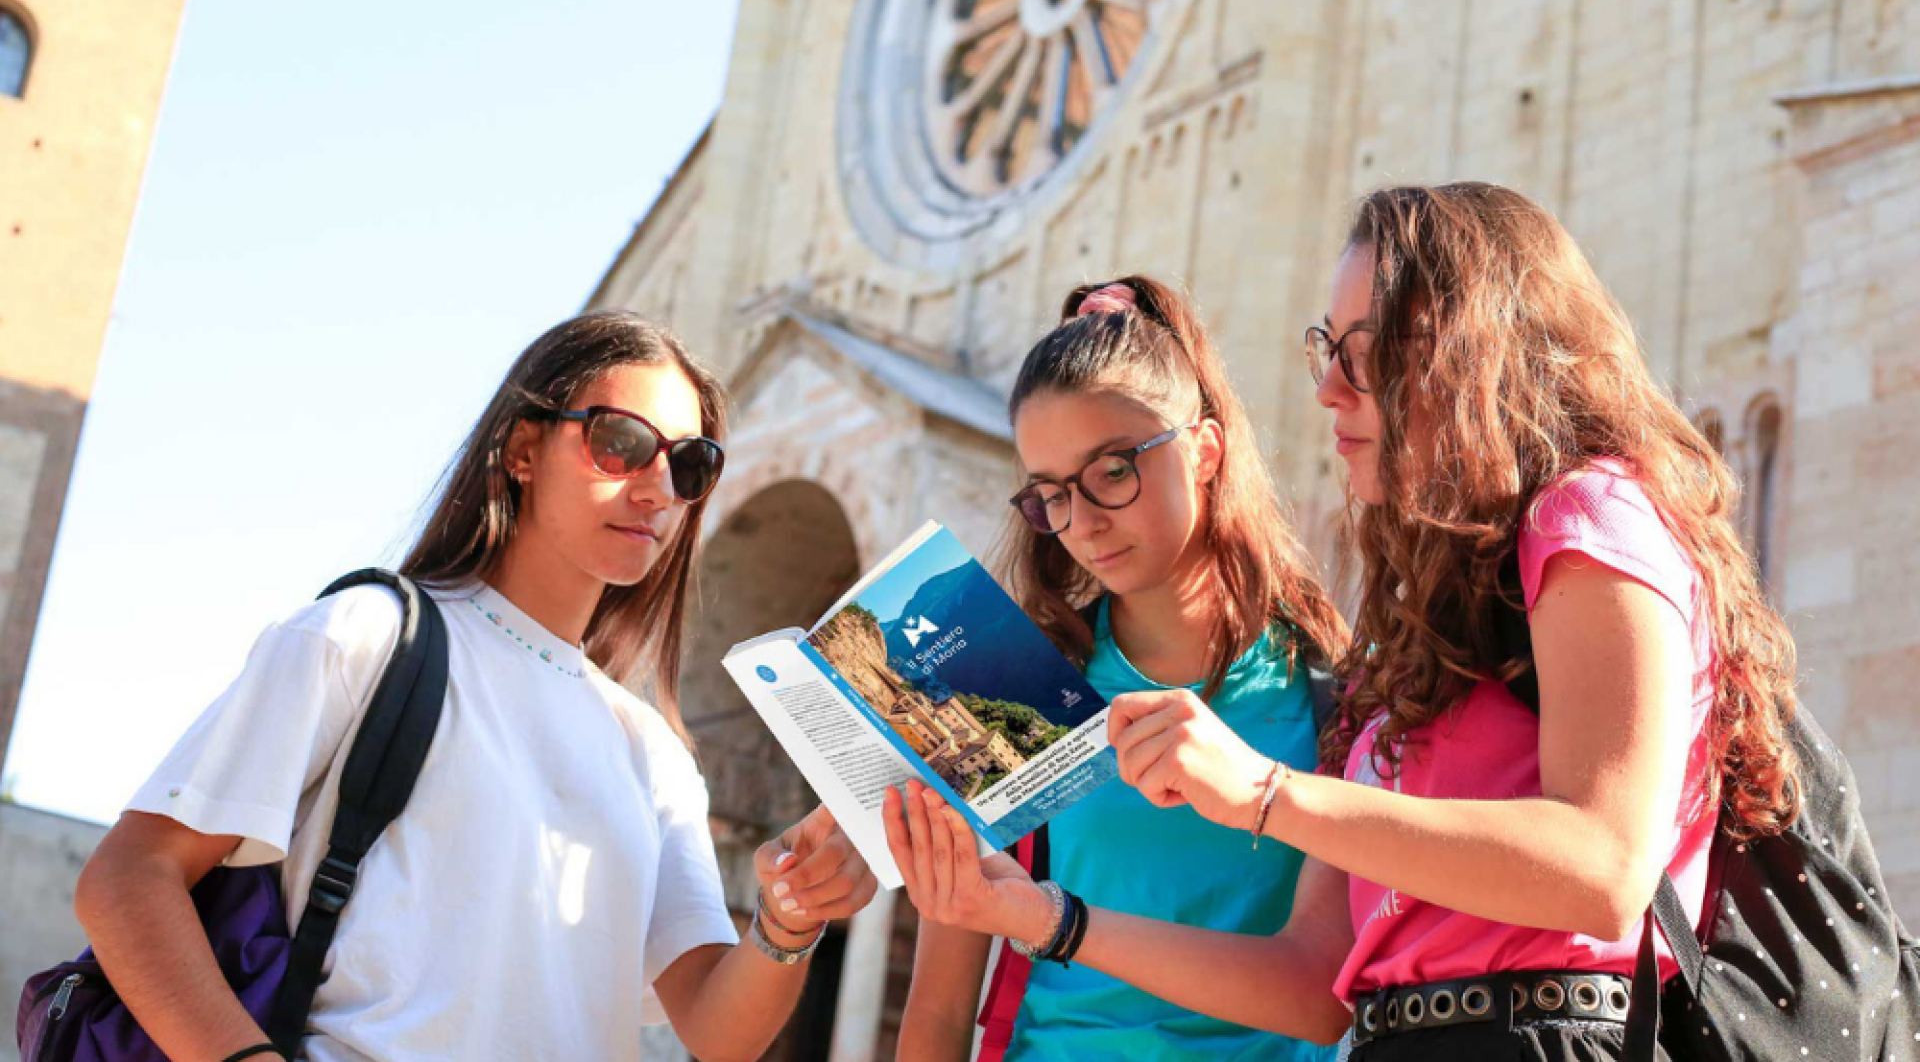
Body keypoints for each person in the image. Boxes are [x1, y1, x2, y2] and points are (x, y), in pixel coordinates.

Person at [888, 184, 1802, 1062]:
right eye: (1325, 346)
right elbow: (1323, 974)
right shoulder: (1404, 642)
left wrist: (1266, 795)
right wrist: (1040, 917)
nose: (1325, 387)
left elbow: (1603, 870)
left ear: (1464, 351)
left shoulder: (1570, 527)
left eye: (1358, 352)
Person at [74, 311, 878, 1062]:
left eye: (688, 464)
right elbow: (129, 878)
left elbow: (714, 1027)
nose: (656, 487)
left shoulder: (655, 756)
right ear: (523, 450)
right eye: (620, 442)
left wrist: (789, 917)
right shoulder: (366, 634)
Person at [891, 277, 1348, 1062]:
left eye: (1112, 472)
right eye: (1051, 496)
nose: (1084, 523)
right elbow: (937, 1010)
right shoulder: (1008, 689)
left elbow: (1325, 999)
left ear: (1204, 449)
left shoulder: (1331, 689)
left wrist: (1055, 920)